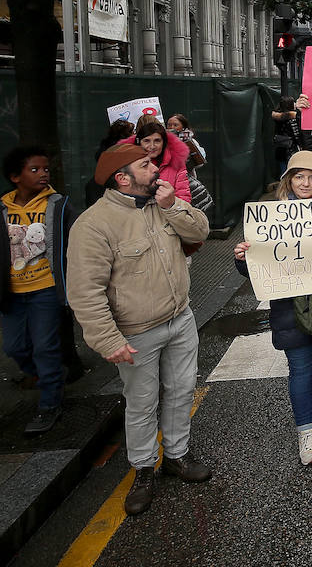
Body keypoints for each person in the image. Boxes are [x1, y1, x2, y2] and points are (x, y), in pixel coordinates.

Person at [68, 143, 212, 516]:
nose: (156, 169)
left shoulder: (160, 205)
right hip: (135, 333)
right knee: (142, 404)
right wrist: (107, 339)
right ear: (123, 178)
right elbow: (85, 291)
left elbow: (201, 230)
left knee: (181, 391)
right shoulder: (93, 225)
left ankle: (177, 456)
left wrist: (172, 206)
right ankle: (143, 468)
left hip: (180, 319)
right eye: (146, 165)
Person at [232, 152, 312, 465]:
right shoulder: (269, 217)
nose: (306, 183)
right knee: (300, 367)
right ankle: (305, 432)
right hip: (289, 306)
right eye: (300, 176)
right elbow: (255, 272)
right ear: (289, 179)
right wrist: (242, 258)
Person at [0, 146, 81, 435]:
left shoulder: (58, 205)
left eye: (46, 169)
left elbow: (79, 242)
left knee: (45, 346)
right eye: (35, 170)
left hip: (46, 289)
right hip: (11, 294)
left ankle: (50, 402)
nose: (43, 174)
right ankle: (47, 374)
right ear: (15, 176)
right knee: (14, 347)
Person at [124, 119, 192, 203]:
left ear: (164, 142)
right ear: (139, 142)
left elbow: (183, 198)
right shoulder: (128, 163)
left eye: (157, 141)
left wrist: (169, 205)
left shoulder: (176, 163)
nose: (152, 146)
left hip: (166, 213)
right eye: (146, 141)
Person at [167, 113, 213, 213]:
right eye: (169, 125)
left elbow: (200, 162)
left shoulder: (190, 141)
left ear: (183, 127)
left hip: (186, 181)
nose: (172, 127)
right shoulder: (162, 141)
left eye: (175, 125)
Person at [272, 96, 301, 172]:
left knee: (283, 170)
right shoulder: (294, 119)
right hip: (292, 149)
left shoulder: (276, 118)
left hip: (280, 148)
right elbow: (297, 135)